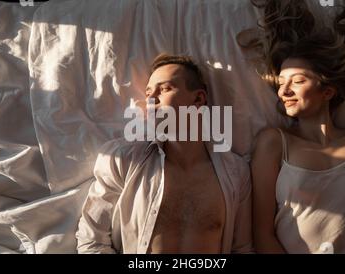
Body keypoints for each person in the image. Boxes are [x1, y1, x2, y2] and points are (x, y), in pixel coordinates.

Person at [238, 0, 345, 253]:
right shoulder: (274, 143)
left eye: (298, 80)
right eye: (281, 82)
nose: (284, 91)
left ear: (327, 90)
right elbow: (262, 236)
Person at [75, 54, 252, 254]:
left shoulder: (236, 173)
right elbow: (92, 242)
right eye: (148, 92)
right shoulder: (121, 160)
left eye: (165, 89)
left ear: (198, 99)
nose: (150, 99)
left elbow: (243, 249)